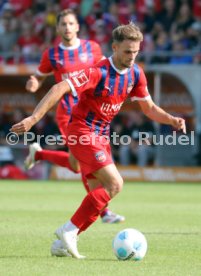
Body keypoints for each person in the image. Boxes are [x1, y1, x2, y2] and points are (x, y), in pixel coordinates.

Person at [11, 22, 186, 259]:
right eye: (127, 52)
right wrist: (33, 118)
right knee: (115, 184)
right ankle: (68, 231)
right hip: (81, 130)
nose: (132, 57)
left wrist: (171, 119)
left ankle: (63, 243)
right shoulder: (98, 72)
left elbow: (149, 108)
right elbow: (60, 87)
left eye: (135, 52)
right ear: (114, 47)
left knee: (99, 199)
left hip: (101, 135)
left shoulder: (136, 74)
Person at [25, 9, 125, 224]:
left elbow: (105, 71)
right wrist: (34, 82)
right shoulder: (51, 55)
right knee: (83, 161)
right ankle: (104, 212)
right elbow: (39, 76)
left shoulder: (93, 48)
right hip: (68, 114)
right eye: (63, 24)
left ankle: (39, 155)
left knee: (76, 164)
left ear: (78, 26)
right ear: (58, 28)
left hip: (91, 112)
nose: (68, 28)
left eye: (71, 23)